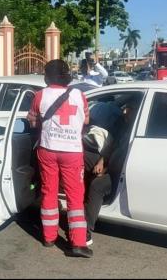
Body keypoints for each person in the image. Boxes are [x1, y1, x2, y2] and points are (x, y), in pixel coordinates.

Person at [27, 59, 93, 258]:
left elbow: (31, 122)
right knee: (75, 197)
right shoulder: (79, 95)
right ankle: (78, 243)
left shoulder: (40, 95)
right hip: (72, 152)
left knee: (49, 192)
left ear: (47, 76)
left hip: (47, 149)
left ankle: (48, 238)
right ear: (66, 77)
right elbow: (87, 121)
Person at [83, 96, 141, 245]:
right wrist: (102, 160)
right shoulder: (126, 126)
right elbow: (113, 146)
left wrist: (105, 168)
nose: (125, 111)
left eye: (130, 109)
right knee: (79, 155)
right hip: (111, 163)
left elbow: (121, 162)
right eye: (126, 108)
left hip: (117, 171)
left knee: (97, 185)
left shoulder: (135, 130)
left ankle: (85, 232)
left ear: (136, 111)